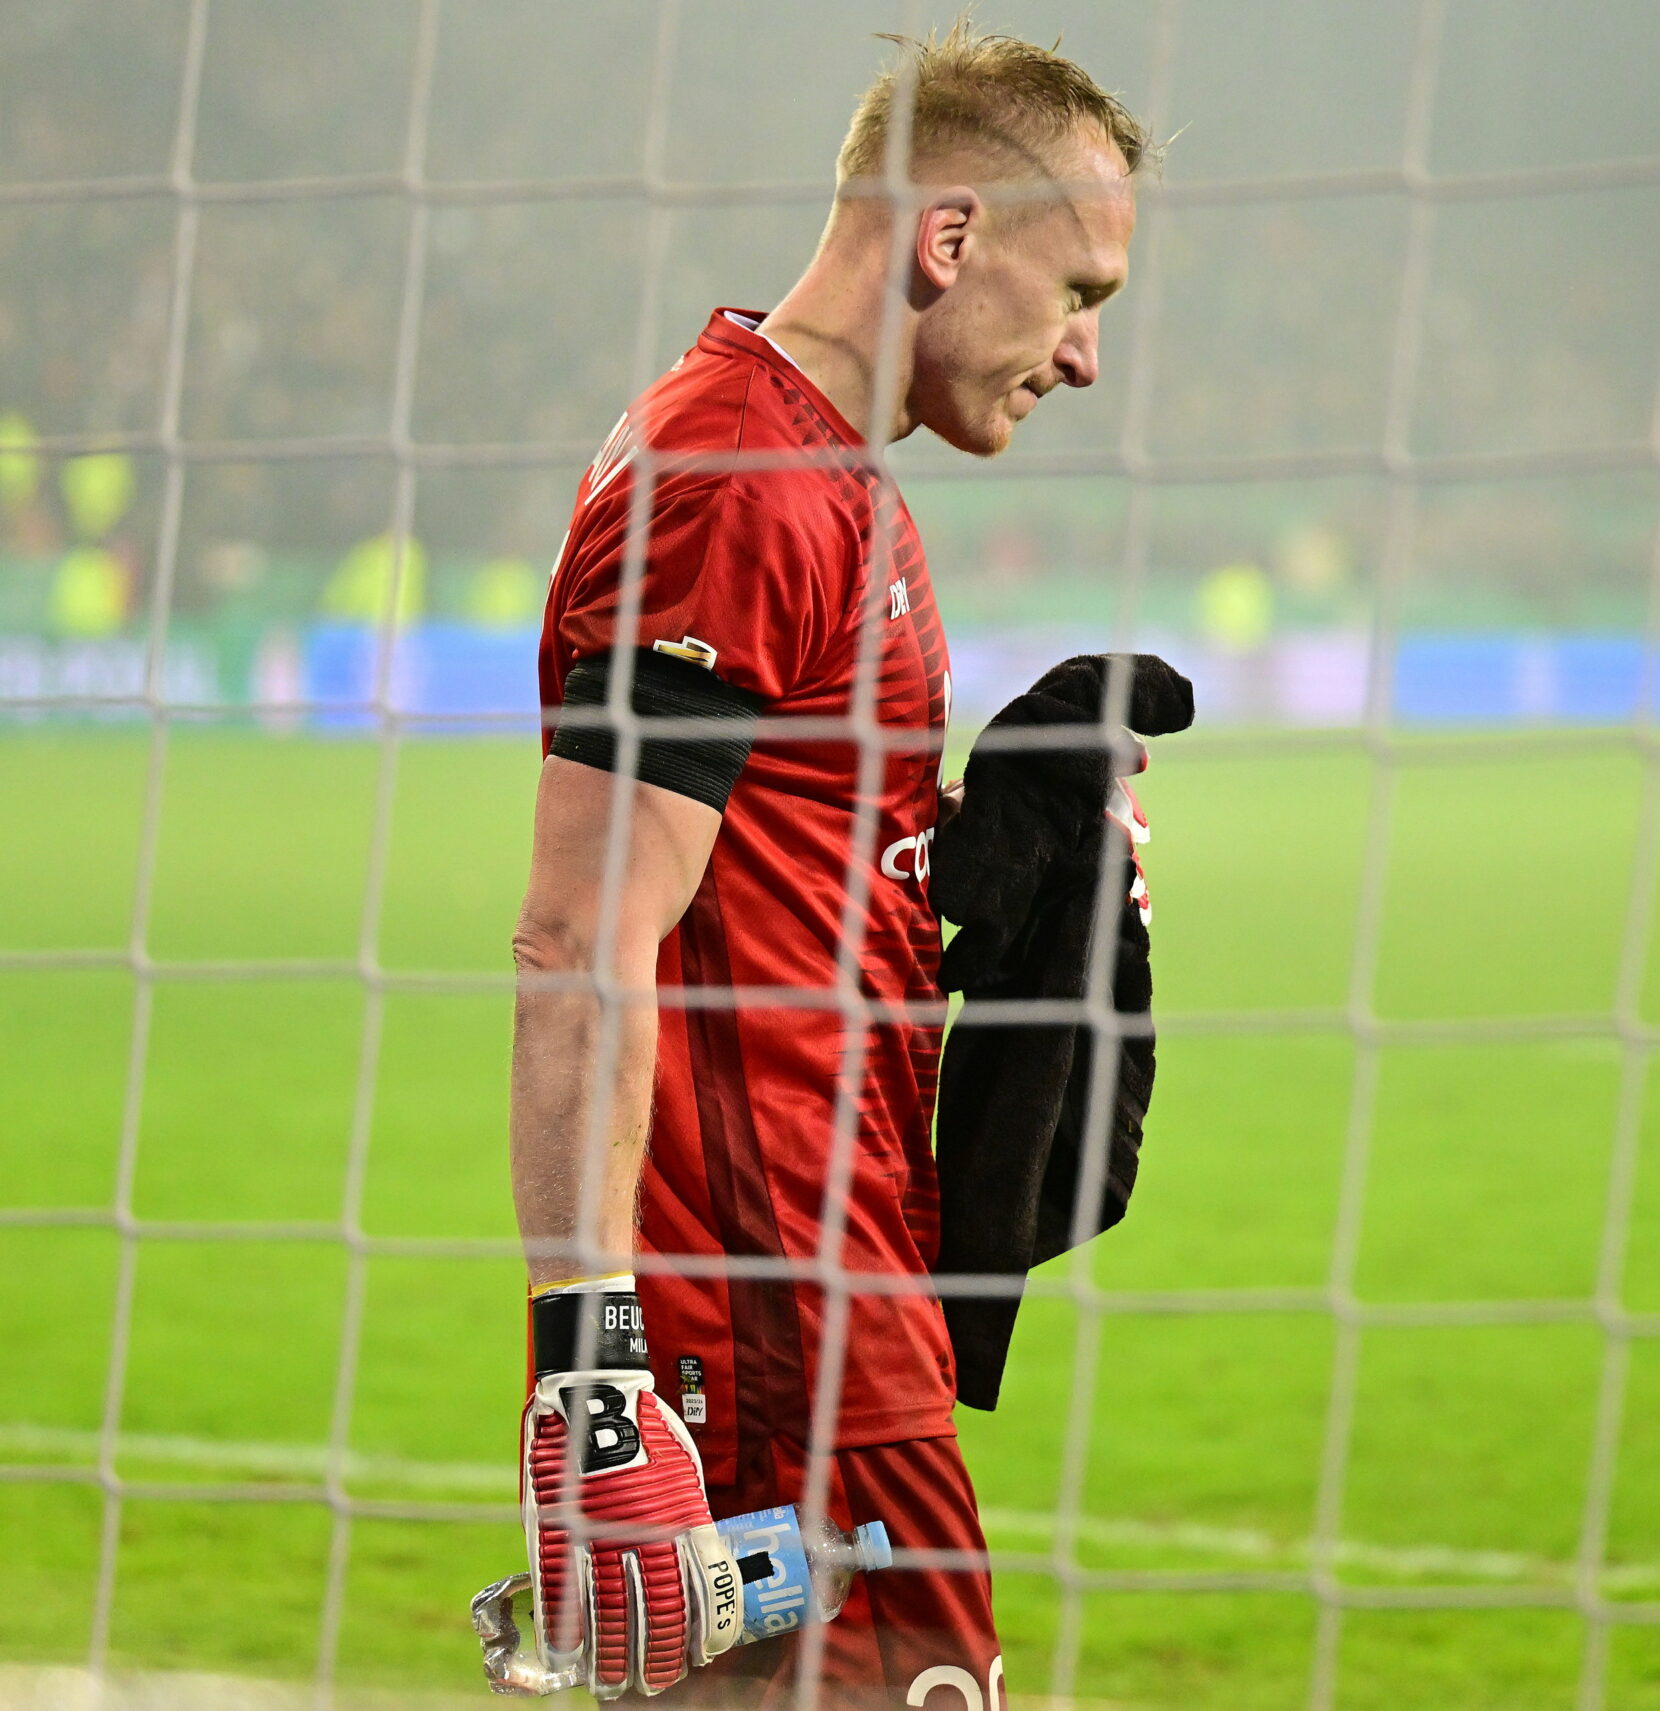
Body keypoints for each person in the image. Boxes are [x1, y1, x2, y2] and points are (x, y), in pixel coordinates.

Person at [505, 24, 1149, 1706]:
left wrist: (979, 874)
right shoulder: (736, 474)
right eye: (1080, 292)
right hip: (775, 1337)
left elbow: (778, 893)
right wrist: (592, 1371)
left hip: (844, 1304)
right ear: (949, 238)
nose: (1084, 357)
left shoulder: (835, 482)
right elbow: (583, 933)